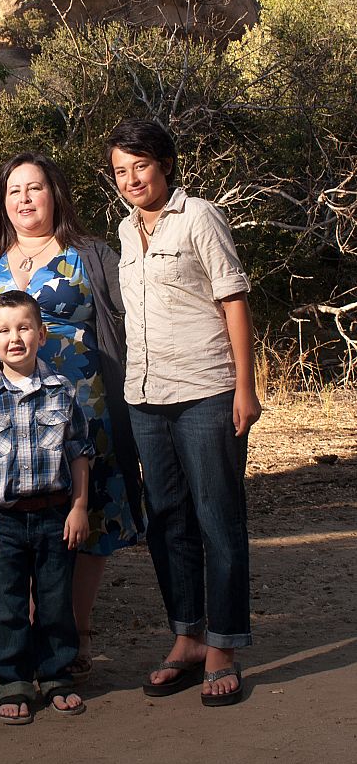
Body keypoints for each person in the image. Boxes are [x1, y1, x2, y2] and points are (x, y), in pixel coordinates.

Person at [108, 118, 262, 707]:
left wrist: (244, 388)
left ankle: (224, 645)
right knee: (167, 517)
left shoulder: (199, 217)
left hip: (206, 390)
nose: (131, 179)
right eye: (120, 171)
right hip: (145, 398)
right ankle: (187, 636)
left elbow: (233, 298)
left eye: (140, 166)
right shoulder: (124, 231)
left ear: (164, 165)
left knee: (217, 517)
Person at [0, 153, 143, 680]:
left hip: (82, 403)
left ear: (55, 193)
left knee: (87, 514)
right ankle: (30, 631)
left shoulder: (89, 253)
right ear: (3, 201)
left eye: (36, 188)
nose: (25, 199)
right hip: (8, 409)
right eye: (14, 190)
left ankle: (78, 626)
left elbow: (135, 312)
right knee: (22, 516)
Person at [0, 290, 93, 723]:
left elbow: (79, 452)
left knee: (55, 600)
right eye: (4, 330)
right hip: (4, 519)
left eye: (23, 328)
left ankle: (55, 672)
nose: (14, 338)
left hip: (56, 515)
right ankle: (12, 678)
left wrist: (79, 507)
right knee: (6, 603)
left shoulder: (62, 391)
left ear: (41, 332)